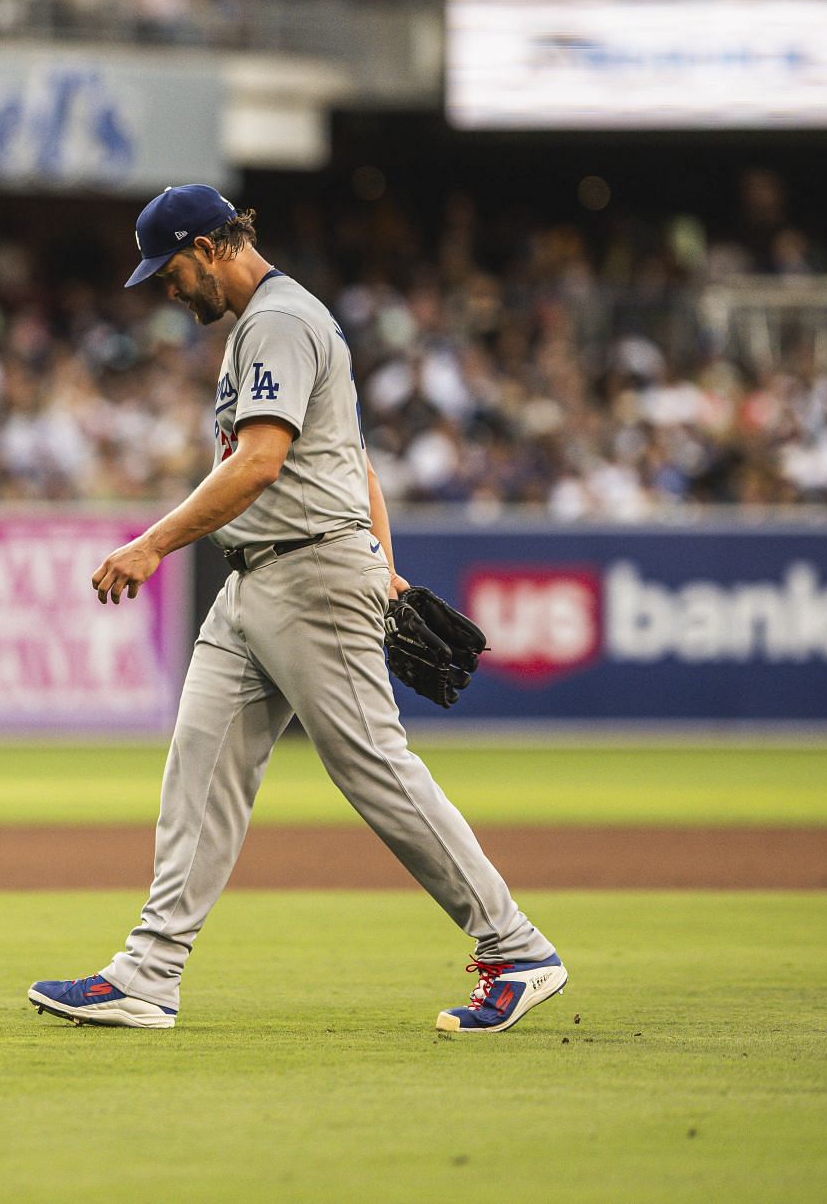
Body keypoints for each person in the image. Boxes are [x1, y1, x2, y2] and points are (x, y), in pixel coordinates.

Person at [28, 185, 566, 1034]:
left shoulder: (280, 319)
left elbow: (259, 464)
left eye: (167, 269)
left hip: (310, 573)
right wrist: (385, 570)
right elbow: (358, 467)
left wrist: (150, 545)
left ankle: (516, 946)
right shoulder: (264, 325)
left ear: (208, 246)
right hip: (258, 579)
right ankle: (149, 973)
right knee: (199, 768)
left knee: (373, 768)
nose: (164, 290)